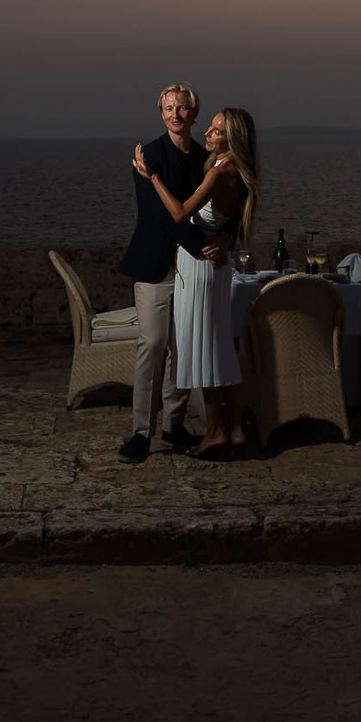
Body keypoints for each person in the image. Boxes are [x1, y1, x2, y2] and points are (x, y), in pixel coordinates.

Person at [133, 106, 258, 458]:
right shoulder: (242, 172)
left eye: (217, 131)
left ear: (231, 137)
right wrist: (226, 240)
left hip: (199, 267)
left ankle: (215, 431)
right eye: (212, 128)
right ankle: (234, 429)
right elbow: (228, 220)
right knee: (220, 350)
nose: (208, 134)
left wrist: (152, 176)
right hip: (217, 268)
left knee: (203, 351)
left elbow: (179, 213)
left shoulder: (219, 171)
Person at [115, 82, 217, 462]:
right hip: (155, 265)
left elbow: (214, 206)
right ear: (162, 113)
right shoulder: (148, 155)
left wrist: (219, 242)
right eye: (169, 108)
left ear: (194, 113)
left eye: (183, 108)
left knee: (182, 349)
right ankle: (141, 432)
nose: (176, 114)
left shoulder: (204, 159)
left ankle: (173, 426)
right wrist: (200, 245)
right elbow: (160, 215)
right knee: (153, 346)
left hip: (193, 269)